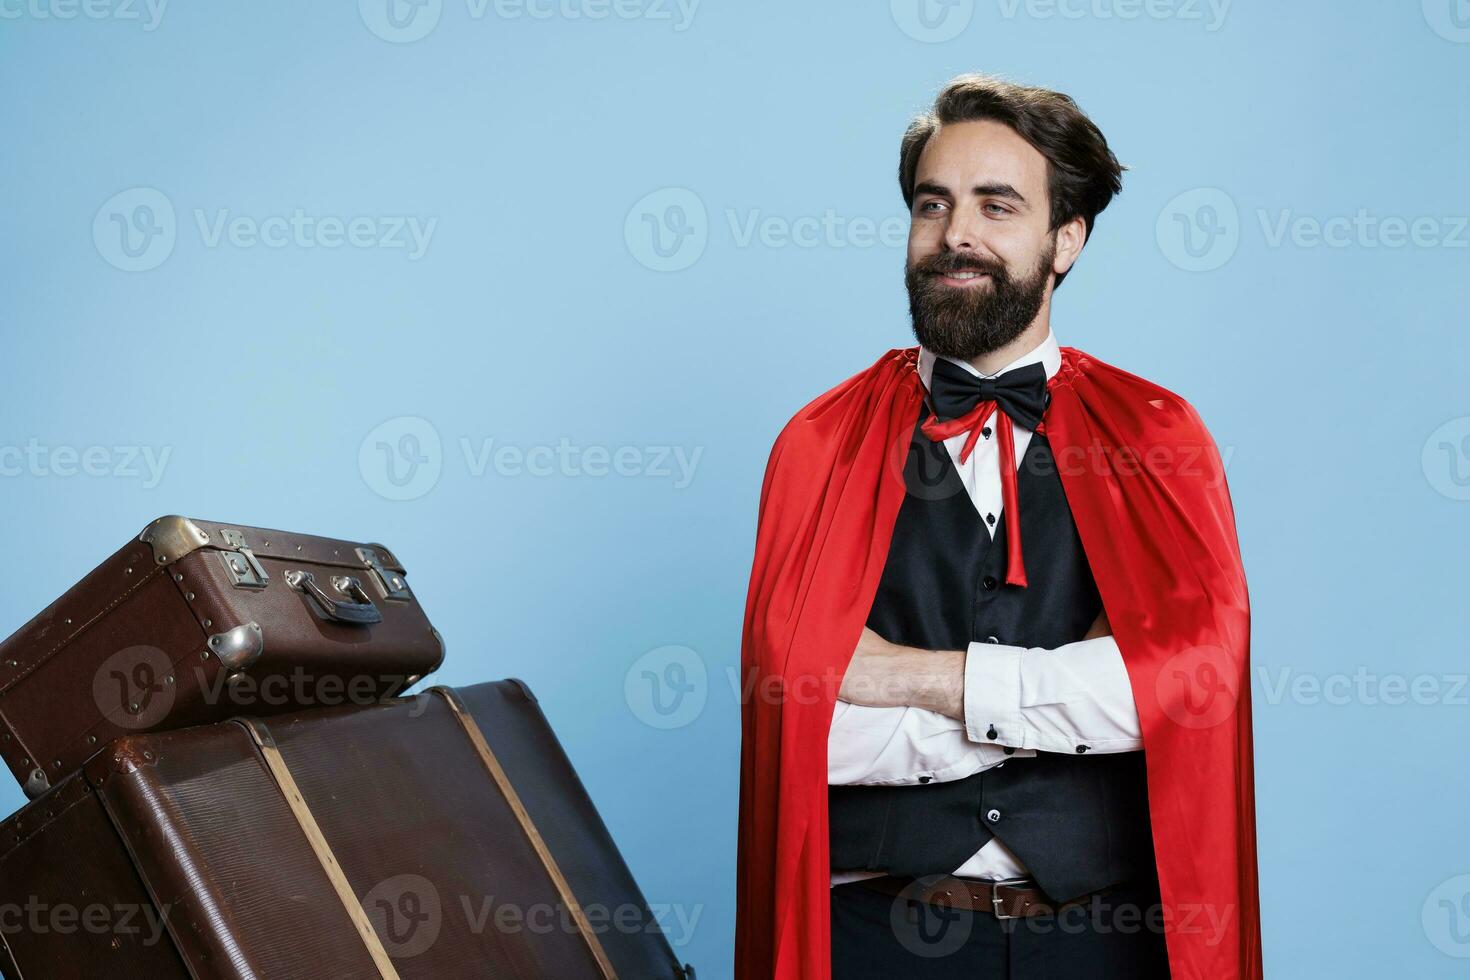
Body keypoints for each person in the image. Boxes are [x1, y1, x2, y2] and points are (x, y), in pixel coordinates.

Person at [735, 74, 1261, 979]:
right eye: (933, 205)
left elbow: (1194, 688)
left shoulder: (1158, 435)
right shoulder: (821, 443)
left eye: (997, 206)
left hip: (1103, 942)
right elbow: (803, 725)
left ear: (1067, 240)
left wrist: (908, 676)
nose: (957, 237)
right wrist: (1081, 693)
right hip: (877, 937)